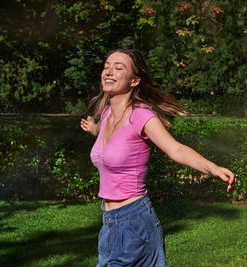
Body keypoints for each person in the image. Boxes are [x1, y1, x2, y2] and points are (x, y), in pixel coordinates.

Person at [80, 49, 236, 267]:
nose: (109, 71)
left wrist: (213, 168)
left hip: (134, 224)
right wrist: (94, 129)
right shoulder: (106, 114)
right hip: (109, 224)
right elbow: (112, 145)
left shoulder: (141, 115)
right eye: (107, 66)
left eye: (118, 68)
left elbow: (176, 149)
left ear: (134, 80)